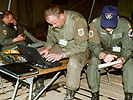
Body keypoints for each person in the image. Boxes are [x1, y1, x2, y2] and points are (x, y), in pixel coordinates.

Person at [40, 4, 90, 100]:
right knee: (40, 53)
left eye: (55, 23)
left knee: (74, 62)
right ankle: (39, 84)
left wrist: (61, 55)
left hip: (80, 49)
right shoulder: (53, 22)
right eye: (51, 24)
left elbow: (82, 46)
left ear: (62, 16)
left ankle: (70, 92)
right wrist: (47, 47)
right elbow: (50, 39)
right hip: (63, 47)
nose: (53, 26)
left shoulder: (77, 20)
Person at [87, 5, 133, 100]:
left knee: (129, 64)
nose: (108, 27)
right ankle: (94, 93)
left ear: (118, 18)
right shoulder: (95, 24)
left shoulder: (125, 25)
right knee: (93, 63)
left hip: (119, 53)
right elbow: (93, 45)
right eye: (105, 23)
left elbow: (128, 49)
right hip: (101, 52)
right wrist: (103, 55)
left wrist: (122, 59)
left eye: (111, 23)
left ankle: (129, 94)